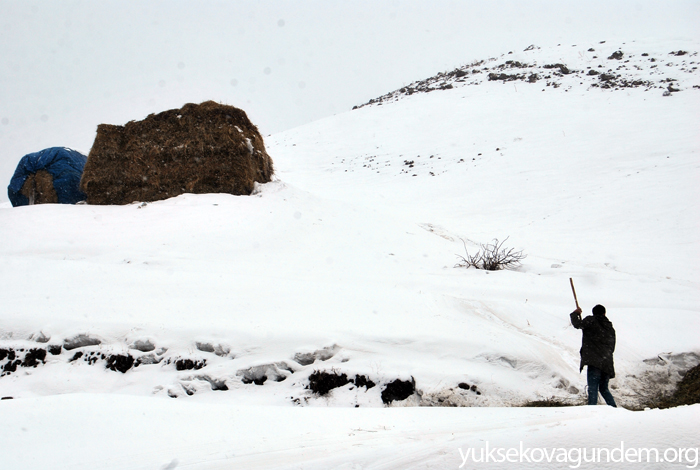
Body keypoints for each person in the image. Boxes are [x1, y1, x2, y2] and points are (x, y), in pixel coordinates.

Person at [570, 304, 617, 407]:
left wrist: (575, 314)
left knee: (593, 388)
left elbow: (577, 324)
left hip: (594, 361)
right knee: (604, 389)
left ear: (593, 313)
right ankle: (614, 409)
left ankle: (592, 410)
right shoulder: (610, 327)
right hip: (607, 363)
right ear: (604, 313)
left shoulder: (591, 321)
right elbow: (612, 347)